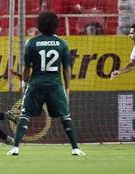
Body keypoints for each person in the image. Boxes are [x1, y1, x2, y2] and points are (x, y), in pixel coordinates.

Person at [7, 12, 85, 156]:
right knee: (65, 116)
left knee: (25, 115)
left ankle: (15, 148)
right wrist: (67, 88)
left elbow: (26, 68)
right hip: (55, 85)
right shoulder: (62, 43)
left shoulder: (31, 42)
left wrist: (24, 84)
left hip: (36, 84)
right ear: (56, 25)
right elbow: (67, 69)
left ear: (39, 25)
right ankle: (75, 149)